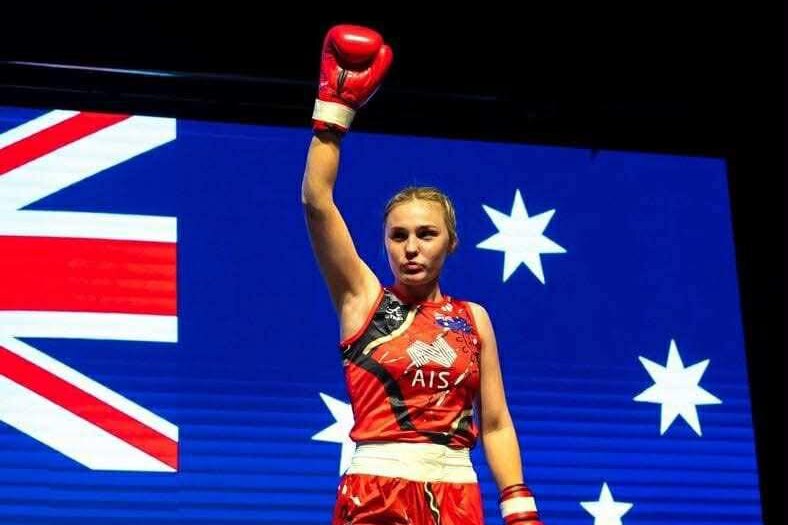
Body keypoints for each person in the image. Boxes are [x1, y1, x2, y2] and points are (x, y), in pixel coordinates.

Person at [301, 23, 545, 525]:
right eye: (398, 236)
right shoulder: (362, 299)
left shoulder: (472, 319)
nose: (410, 247)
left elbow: (495, 423)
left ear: (450, 243)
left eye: (426, 234)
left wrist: (518, 505)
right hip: (377, 492)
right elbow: (316, 202)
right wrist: (334, 114)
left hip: (458, 493)